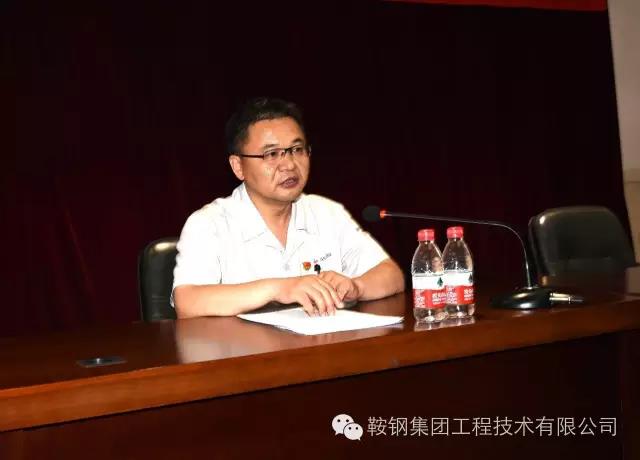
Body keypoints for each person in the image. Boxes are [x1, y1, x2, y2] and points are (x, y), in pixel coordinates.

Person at [172, 97, 404, 318]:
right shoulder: (209, 223)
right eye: (272, 154)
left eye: (297, 150)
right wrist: (279, 289)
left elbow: (392, 275)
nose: (289, 164)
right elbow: (187, 302)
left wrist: (356, 286)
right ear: (238, 166)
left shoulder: (327, 213)